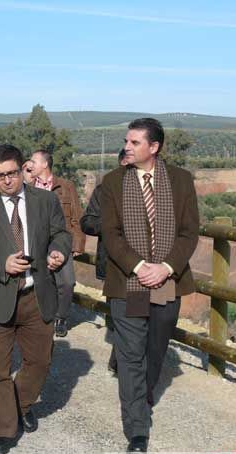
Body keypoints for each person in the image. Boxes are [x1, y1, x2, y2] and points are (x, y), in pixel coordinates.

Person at [0, 144, 71, 454]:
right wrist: (1, 264)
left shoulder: (45, 200)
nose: (7, 181)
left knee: (40, 361)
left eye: (12, 173)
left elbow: (60, 233)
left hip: (37, 295)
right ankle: (6, 429)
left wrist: (57, 251)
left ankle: (21, 405)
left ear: (23, 169)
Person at [101, 118, 199, 454]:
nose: (126, 147)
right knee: (130, 357)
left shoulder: (182, 181)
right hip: (128, 283)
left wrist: (166, 268)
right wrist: (141, 267)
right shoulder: (113, 182)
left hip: (166, 283)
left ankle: (142, 397)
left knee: (154, 351)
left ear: (153, 147)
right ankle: (137, 429)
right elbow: (110, 234)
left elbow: (189, 232)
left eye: (134, 143)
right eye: (126, 141)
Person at [80, 149, 128, 375]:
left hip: (146, 267)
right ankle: (120, 362)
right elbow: (87, 222)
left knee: (137, 316)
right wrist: (110, 225)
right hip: (113, 264)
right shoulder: (104, 191)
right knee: (121, 316)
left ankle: (125, 362)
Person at [30, 149, 85, 337]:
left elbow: (76, 216)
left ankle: (61, 317)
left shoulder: (66, 186)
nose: (30, 165)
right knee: (41, 282)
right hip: (36, 243)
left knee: (68, 282)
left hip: (62, 241)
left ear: (45, 164)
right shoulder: (27, 186)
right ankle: (44, 316)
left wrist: (78, 244)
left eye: (33, 161)